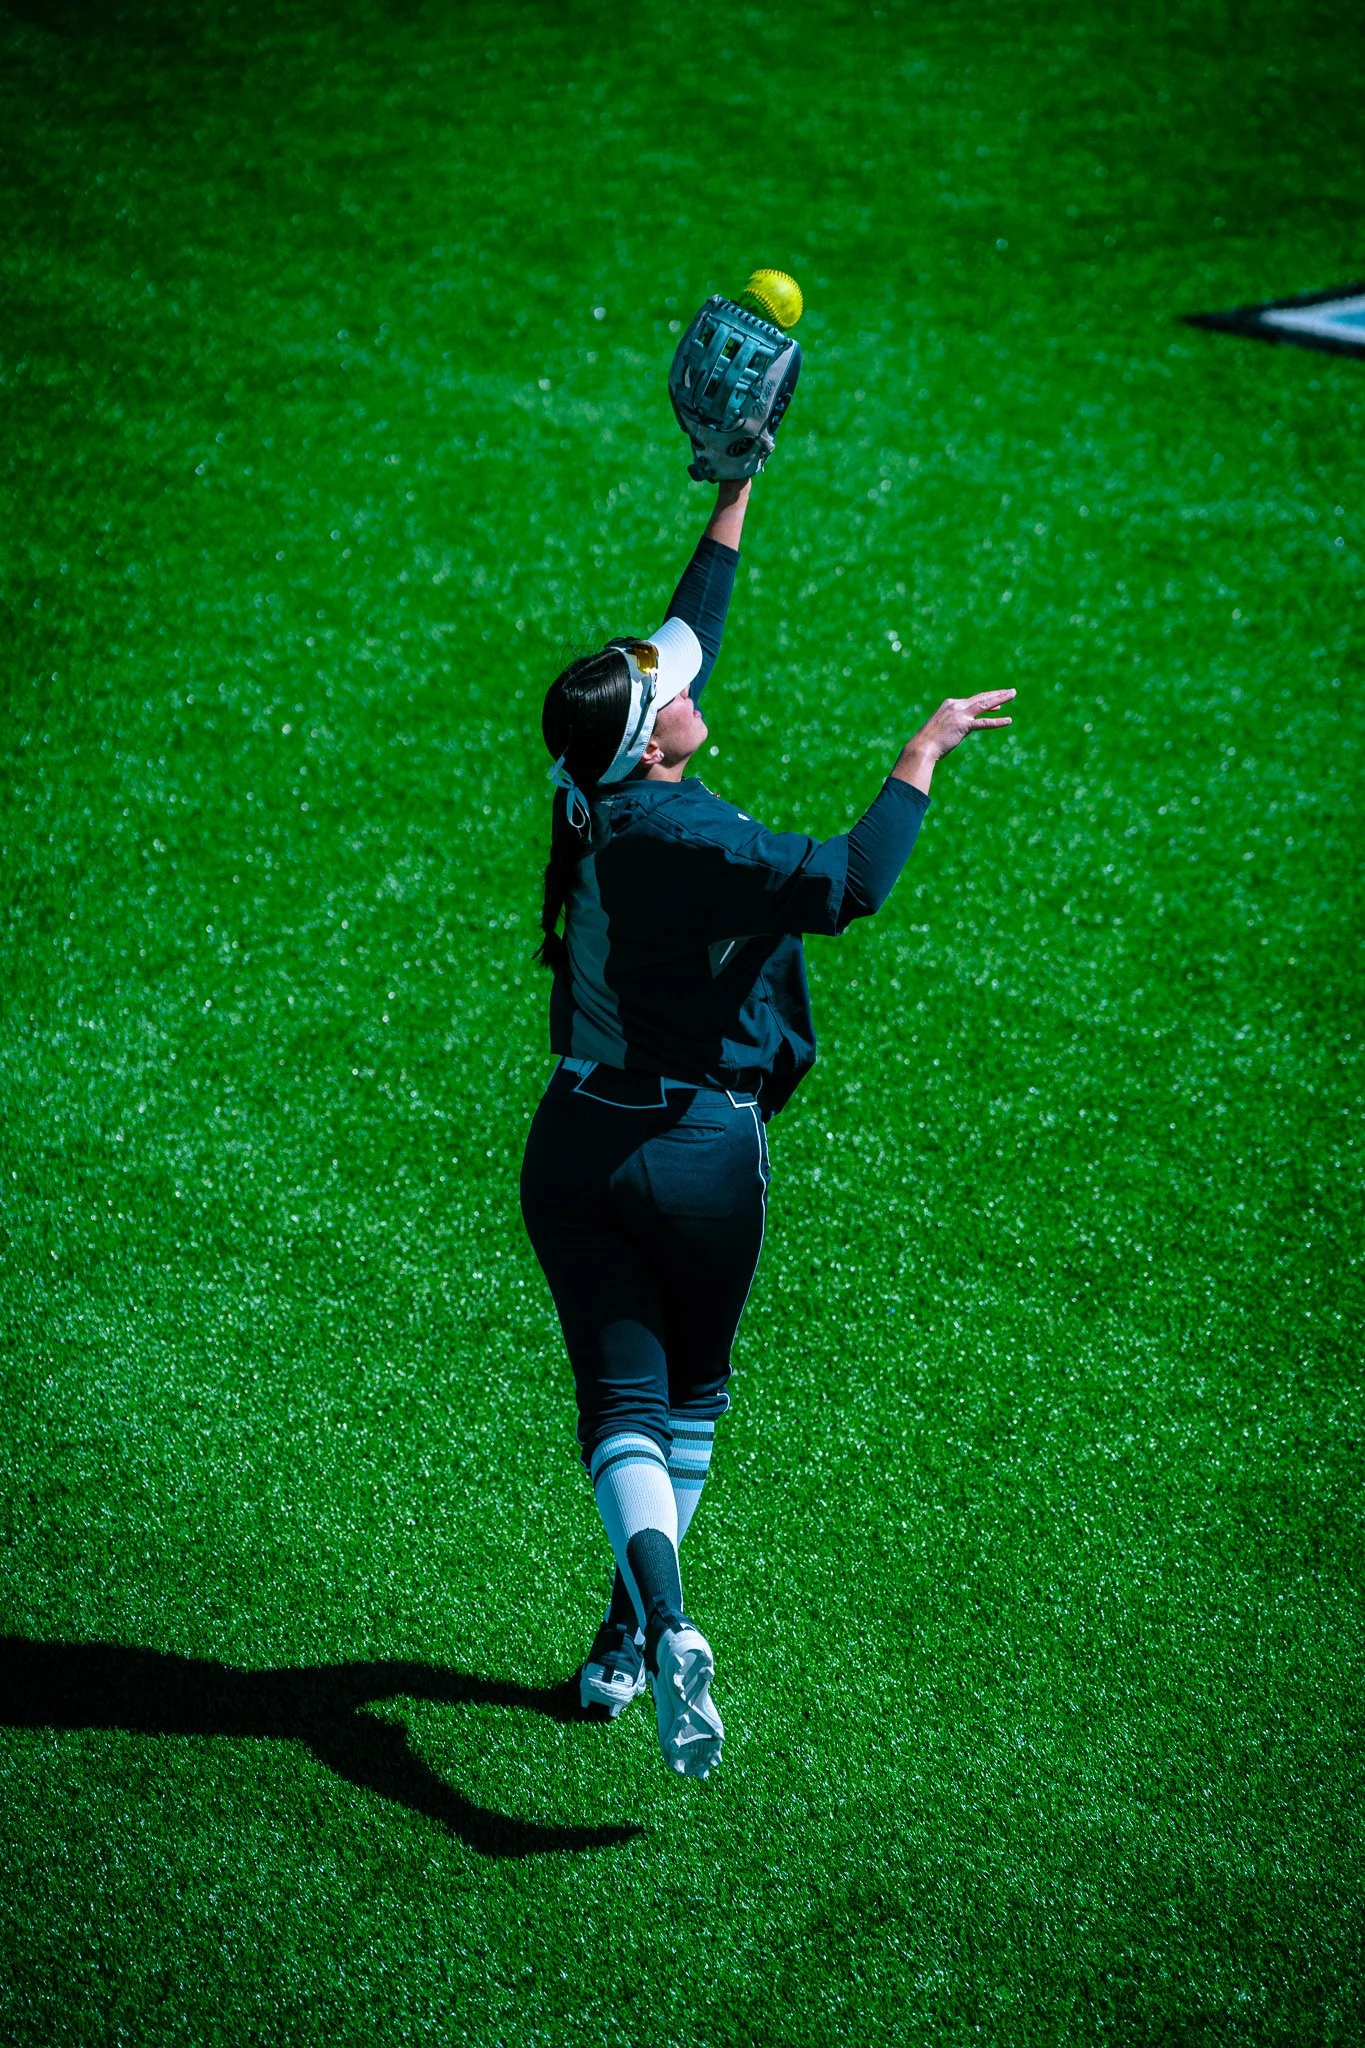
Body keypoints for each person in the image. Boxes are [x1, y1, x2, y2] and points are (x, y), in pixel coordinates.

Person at [519, 476, 1014, 1780]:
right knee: (690, 1401)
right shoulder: (677, 834)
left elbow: (693, 629)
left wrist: (735, 483)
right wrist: (926, 750)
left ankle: (643, 1636)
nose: (673, 667)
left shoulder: (596, 788)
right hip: (694, 1156)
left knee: (615, 1402)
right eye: (656, 681)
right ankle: (652, 1621)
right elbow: (852, 884)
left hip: (574, 1144)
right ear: (651, 744)